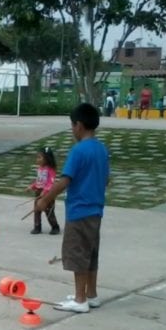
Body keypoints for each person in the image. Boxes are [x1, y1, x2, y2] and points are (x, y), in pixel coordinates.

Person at [36, 103, 110, 313]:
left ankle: (79, 300)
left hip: (79, 211)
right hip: (96, 210)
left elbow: (64, 181)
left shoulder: (78, 151)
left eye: (72, 126)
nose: (72, 130)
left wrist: (44, 199)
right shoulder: (102, 149)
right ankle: (91, 294)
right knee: (91, 254)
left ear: (78, 125)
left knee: (77, 254)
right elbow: (106, 180)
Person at [28, 146, 60, 235]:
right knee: (37, 210)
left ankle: (55, 227)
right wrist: (32, 186)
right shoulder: (39, 169)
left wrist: (45, 191)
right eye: (37, 157)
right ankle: (37, 227)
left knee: (49, 211)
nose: (37, 160)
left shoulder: (50, 170)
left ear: (47, 159)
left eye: (39, 157)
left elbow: (51, 182)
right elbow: (38, 181)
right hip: (38, 193)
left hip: (48, 194)